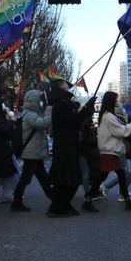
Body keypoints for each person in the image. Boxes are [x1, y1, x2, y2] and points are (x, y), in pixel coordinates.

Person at [47, 76, 96, 217]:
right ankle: (57, 207)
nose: (68, 87)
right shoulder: (62, 104)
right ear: (60, 89)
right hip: (65, 147)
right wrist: (87, 109)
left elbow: (75, 120)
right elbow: (75, 120)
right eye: (65, 85)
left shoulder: (63, 103)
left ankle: (64, 205)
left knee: (70, 179)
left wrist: (86, 108)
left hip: (67, 145)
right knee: (67, 179)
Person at [96, 92, 131, 211]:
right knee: (112, 175)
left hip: (111, 150)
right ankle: (89, 196)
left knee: (119, 175)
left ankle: (126, 200)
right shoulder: (109, 117)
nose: (118, 101)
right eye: (116, 99)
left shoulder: (106, 115)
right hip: (110, 150)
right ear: (112, 101)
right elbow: (121, 132)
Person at [12, 89, 53, 212]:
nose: (42, 102)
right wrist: (49, 108)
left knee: (41, 178)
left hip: (34, 152)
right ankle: (16, 202)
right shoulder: (29, 114)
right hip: (31, 153)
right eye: (40, 99)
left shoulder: (31, 113)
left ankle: (54, 198)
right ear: (34, 101)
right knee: (27, 178)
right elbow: (44, 123)